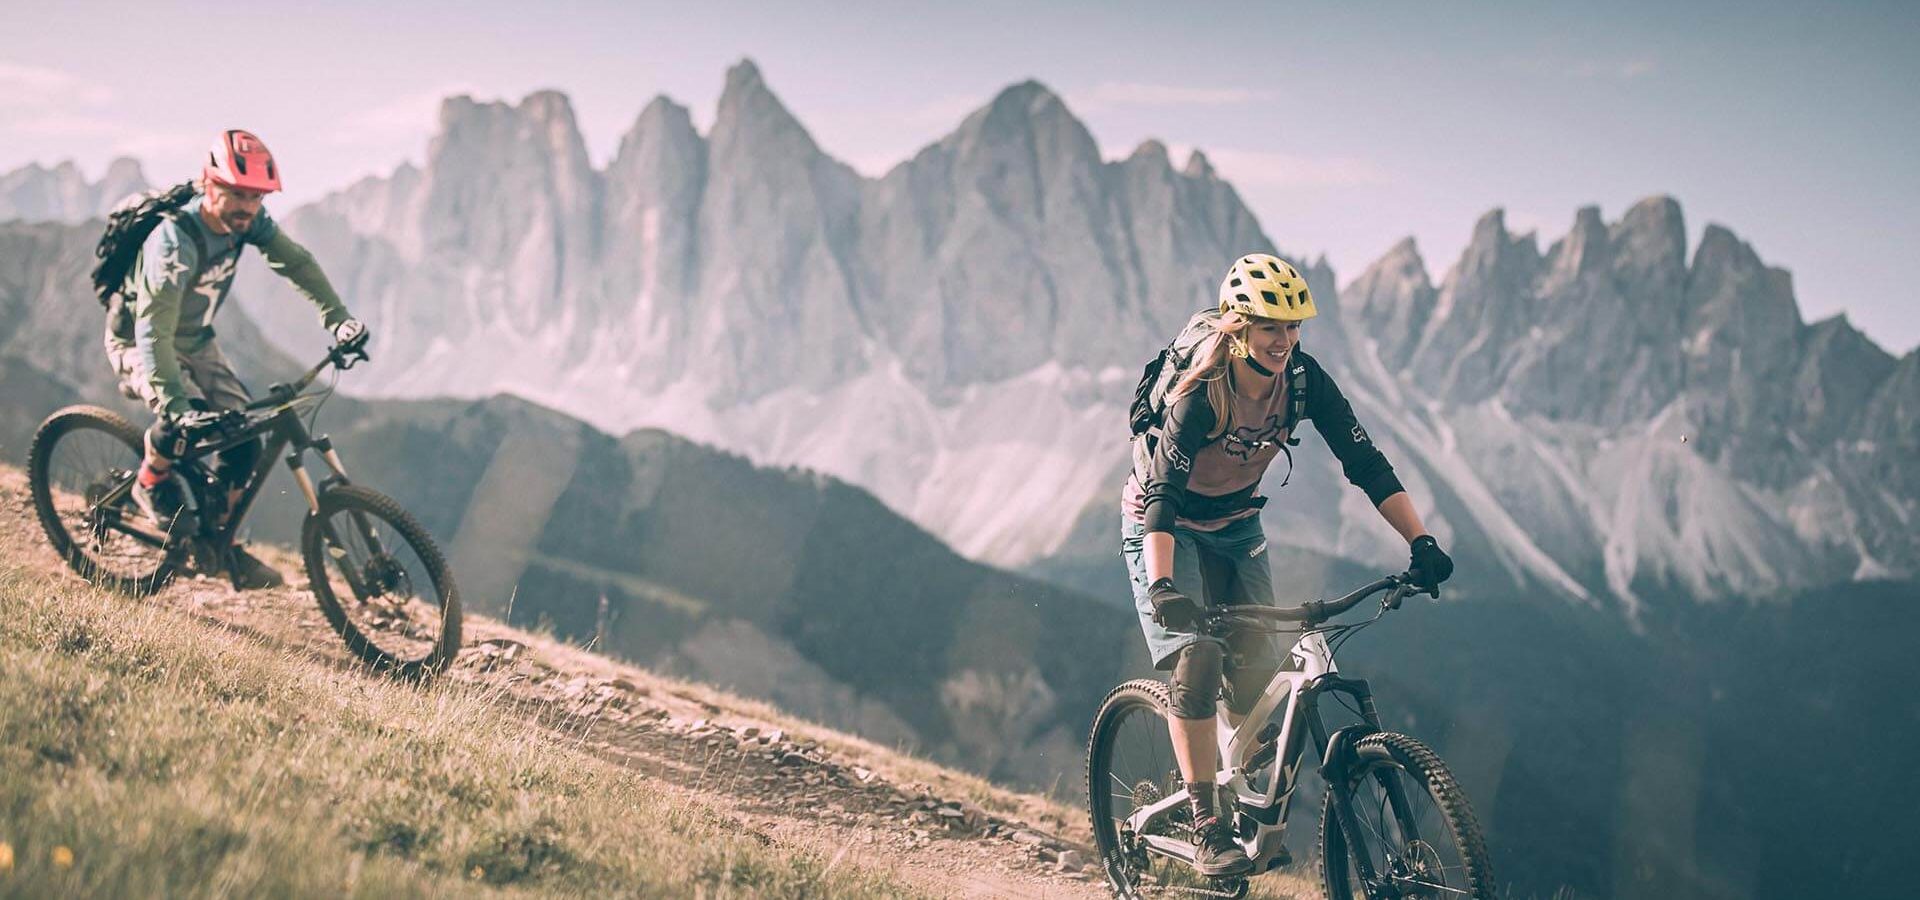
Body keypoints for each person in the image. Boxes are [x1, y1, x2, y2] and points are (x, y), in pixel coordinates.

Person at [1119, 253, 1454, 876]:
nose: (1286, 339)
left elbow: (1367, 464)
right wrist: (1164, 584)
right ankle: (1206, 823)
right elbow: (1162, 497)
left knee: (1256, 681)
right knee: (1197, 659)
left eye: (1295, 325)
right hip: (1163, 526)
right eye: (1272, 326)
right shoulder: (1203, 390)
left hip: (1237, 523)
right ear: (1238, 325)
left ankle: (1246, 808)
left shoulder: (1302, 380)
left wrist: (1421, 542)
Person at [104, 128, 366, 589]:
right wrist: (176, 404)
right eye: (238, 193)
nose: (249, 205)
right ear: (210, 184)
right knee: (183, 419)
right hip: (139, 339)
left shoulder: (248, 224)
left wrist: (337, 318)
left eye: (258, 196)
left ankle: (221, 545)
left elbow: (296, 262)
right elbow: (153, 330)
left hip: (196, 339)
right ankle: (149, 480)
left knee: (242, 437)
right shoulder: (173, 243)